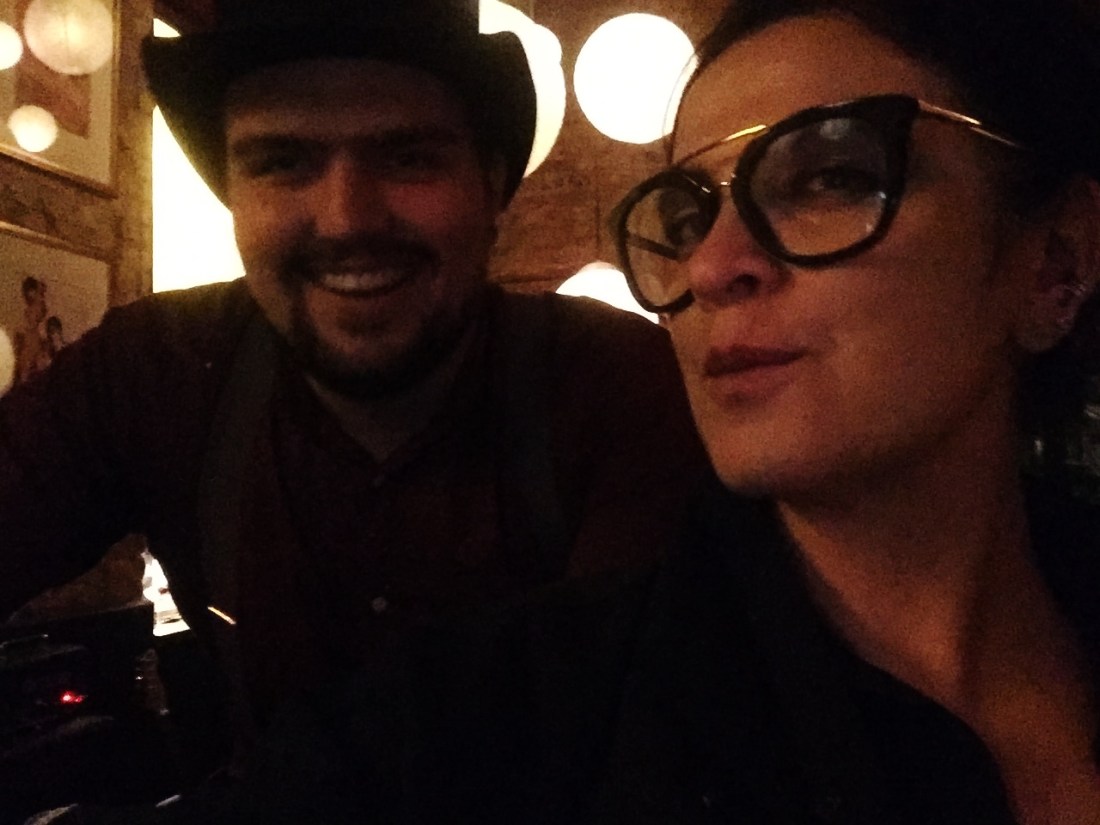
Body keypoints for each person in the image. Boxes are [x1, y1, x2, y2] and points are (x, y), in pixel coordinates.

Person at [64, 0, 1100, 822]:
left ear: (1054, 260)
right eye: (690, 213)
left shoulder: (609, 391)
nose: (711, 266)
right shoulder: (525, 704)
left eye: (830, 175)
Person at [0, 0, 707, 812]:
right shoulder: (156, 367)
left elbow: (634, 736)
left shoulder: (616, 385)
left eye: (409, 157)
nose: (346, 219)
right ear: (234, 194)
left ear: (492, 188)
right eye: (283, 162)